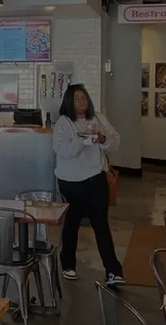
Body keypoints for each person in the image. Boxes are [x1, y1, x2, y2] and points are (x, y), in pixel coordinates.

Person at [53, 83, 124, 286]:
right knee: (72, 223)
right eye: (77, 98)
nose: (82, 101)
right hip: (70, 182)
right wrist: (84, 140)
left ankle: (113, 271)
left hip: (95, 178)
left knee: (101, 224)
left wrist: (103, 140)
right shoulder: (63, 123)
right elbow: (62, 150)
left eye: (84, 97)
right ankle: (68, 264)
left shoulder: (98, 118)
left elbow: (115, 142)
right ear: (69, 101)